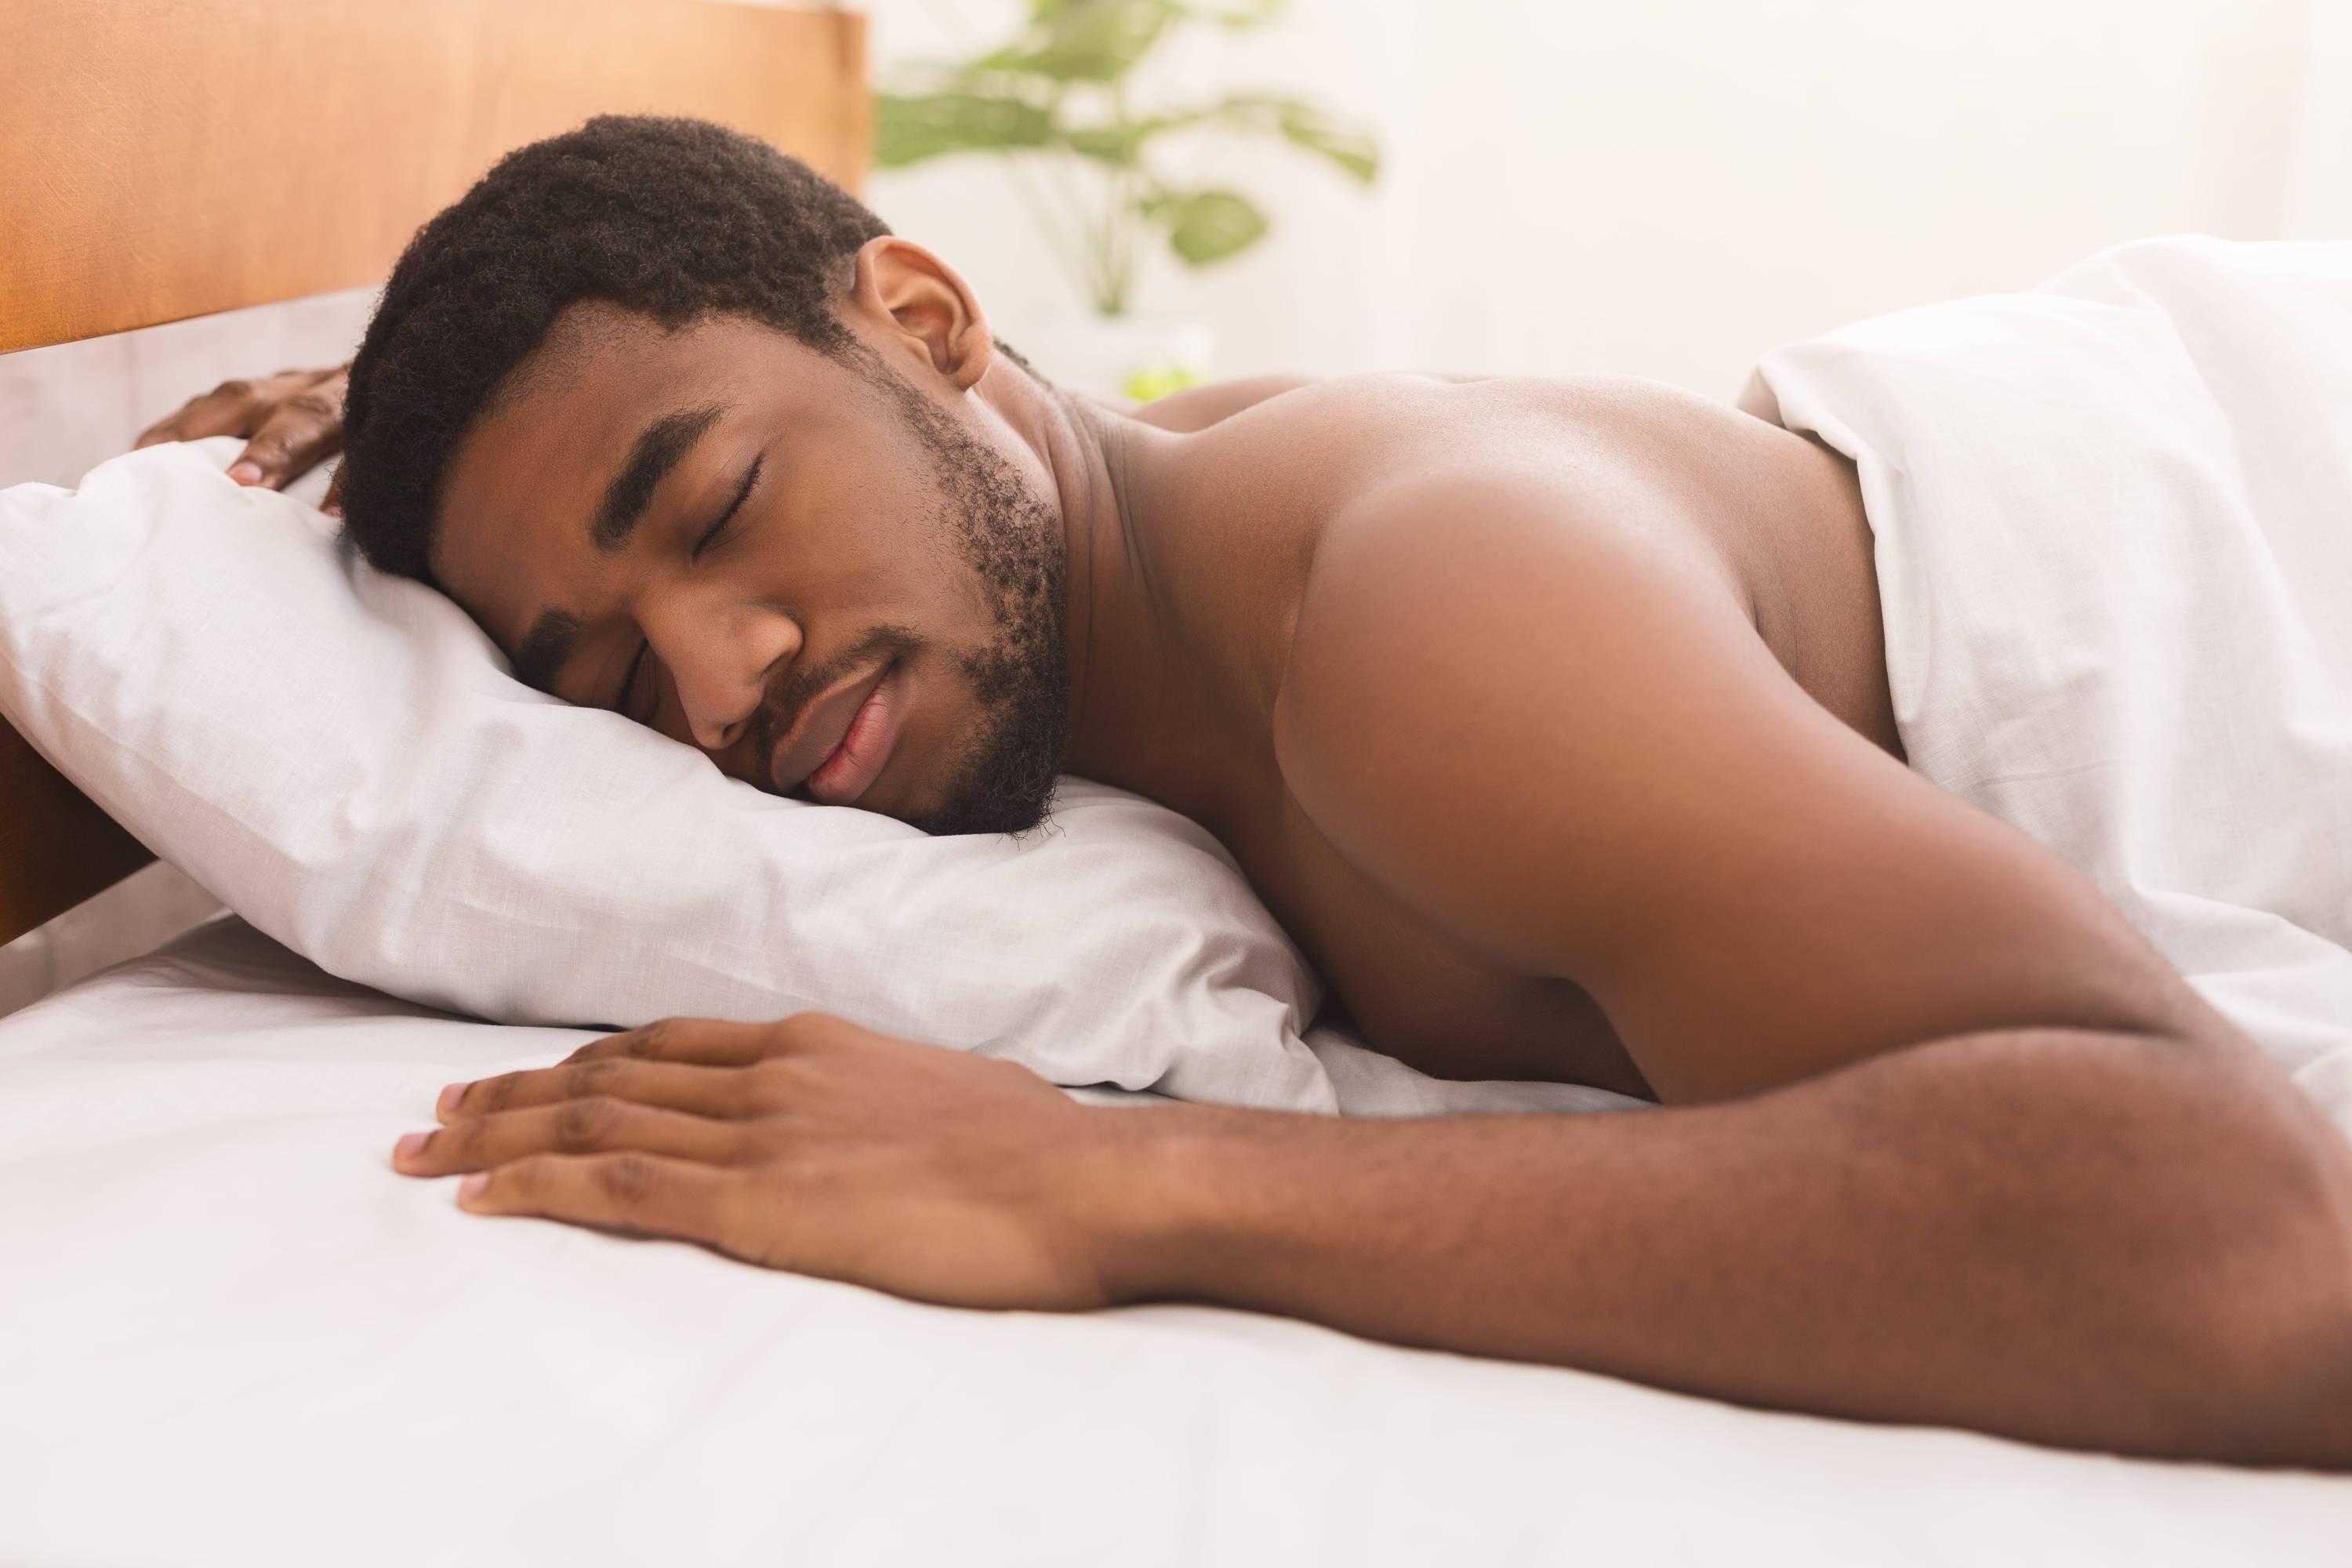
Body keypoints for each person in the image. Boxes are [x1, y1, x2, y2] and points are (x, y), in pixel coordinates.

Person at [136, 116, 2352, 1466]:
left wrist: (1106, 1190)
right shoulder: (1124, 546)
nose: (716, 684)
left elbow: (2249, 1252)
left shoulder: (1423, 614)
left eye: (714, 508)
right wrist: (448, 427)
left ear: (927, 323)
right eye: (598, 665)